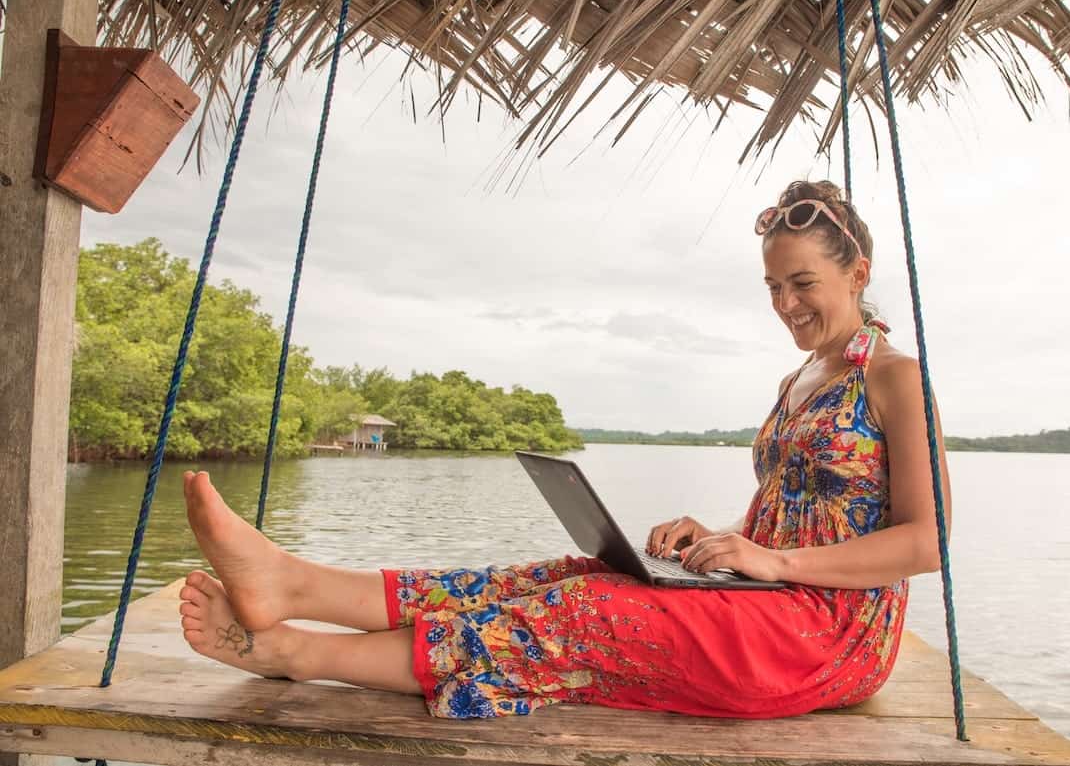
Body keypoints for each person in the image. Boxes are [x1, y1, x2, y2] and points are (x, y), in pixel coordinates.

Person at [177, 179, 951, 719]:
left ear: (859, 272)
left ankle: (295, 650)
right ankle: (294, 583)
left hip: (832, 636)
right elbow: (788, 516)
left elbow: (928, 541)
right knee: (564, 572)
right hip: (769, 602)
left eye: (803, 283)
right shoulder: (801, 378)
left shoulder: (894, 377)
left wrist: (777, 563)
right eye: (773, 286)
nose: (785, 305)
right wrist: (715, 538)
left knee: (585, 610)